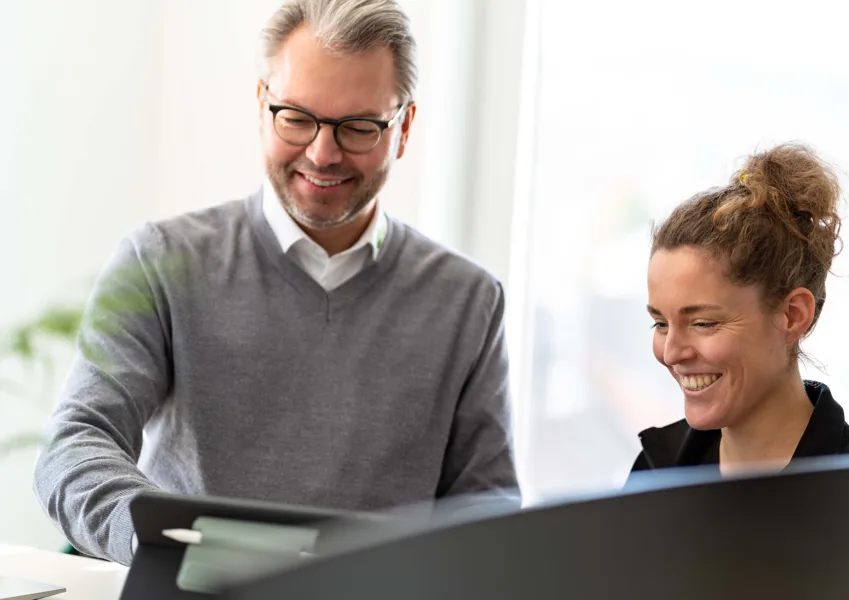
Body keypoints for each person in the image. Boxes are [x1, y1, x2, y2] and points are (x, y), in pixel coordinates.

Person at [33, 0, 518, 566]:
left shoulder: (468, 302)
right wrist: (172, 548)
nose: (321, 152)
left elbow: (490, 510)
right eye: (297, 117)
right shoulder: (158, 260)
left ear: (403, 127)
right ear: (262, 105)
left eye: (357, 127)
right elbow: (74, 443)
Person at [630, 143, 849, 597]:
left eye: (703, 323)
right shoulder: (656, 471)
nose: (671, 351)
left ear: (792, 315)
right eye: (660, 322)